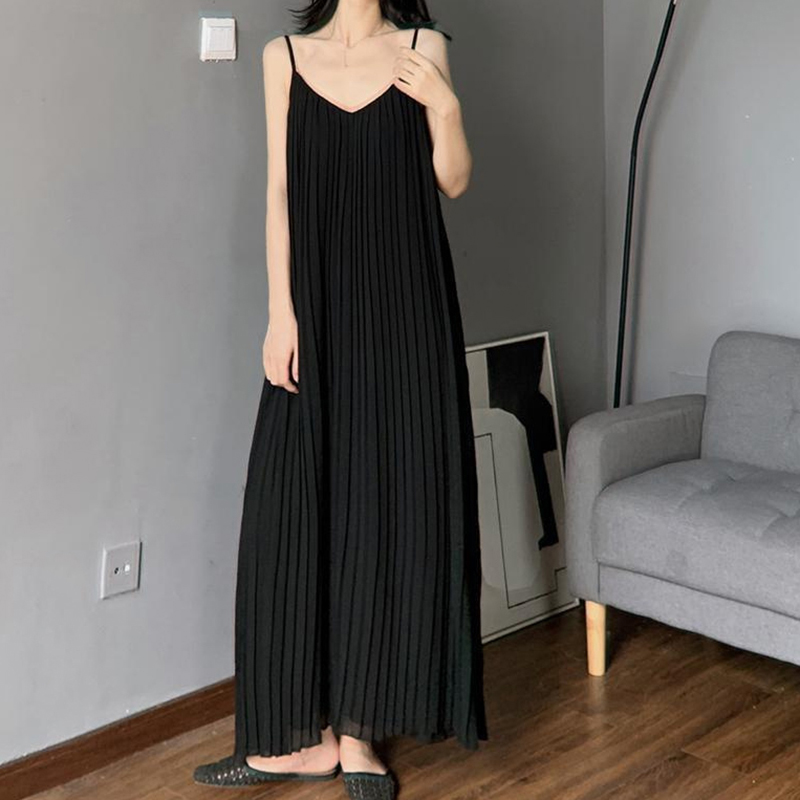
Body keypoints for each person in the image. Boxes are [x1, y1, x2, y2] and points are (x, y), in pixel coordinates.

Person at [193, 1, 487, 796]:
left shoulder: (424, 47)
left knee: (384, 505)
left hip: (407, 314)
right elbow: (279, 191)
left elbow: (454, 180)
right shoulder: (284, 59)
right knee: (293, 504)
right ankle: (299, 739)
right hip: (315, 312)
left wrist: (445, 105)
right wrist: (280, 314)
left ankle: (359, 736)